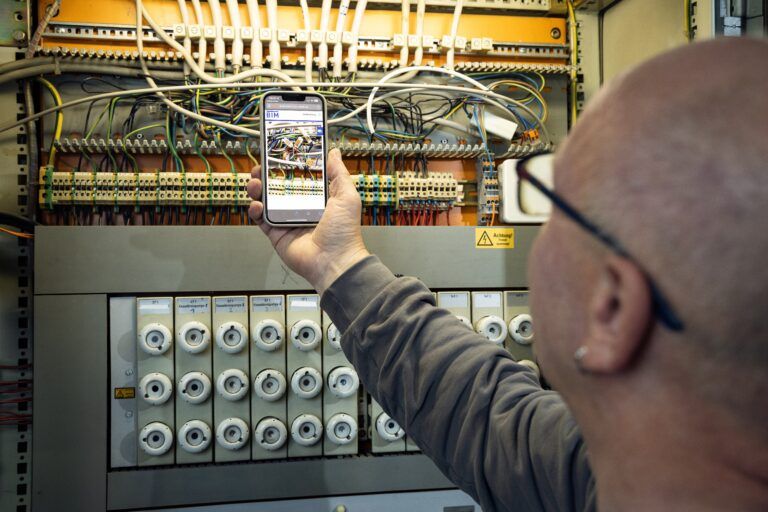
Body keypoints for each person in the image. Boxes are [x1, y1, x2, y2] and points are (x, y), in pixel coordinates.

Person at [246, 38, 768, 512]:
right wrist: (338, 264)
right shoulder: (603, 476)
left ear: (612, 310)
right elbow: (486, 417)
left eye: (554, 205)